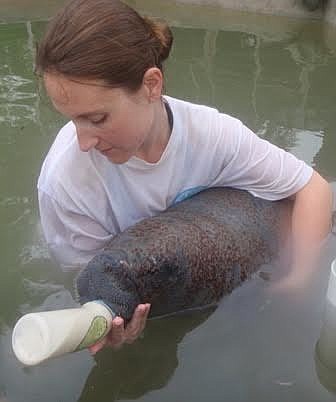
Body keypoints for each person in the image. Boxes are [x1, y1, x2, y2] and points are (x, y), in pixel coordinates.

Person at [35, 0, 332, 354]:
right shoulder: (63, 183)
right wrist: (108, 319)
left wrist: (298, 278)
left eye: (97, 119)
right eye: (71, 119)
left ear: (151, 85)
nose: (83, 142)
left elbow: (311, 188)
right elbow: (86, 280)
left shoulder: (213, 136)